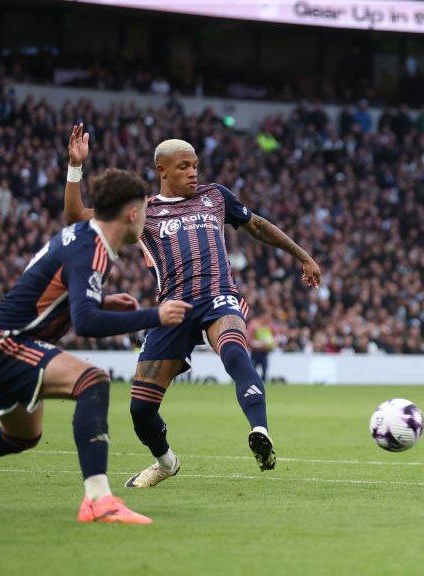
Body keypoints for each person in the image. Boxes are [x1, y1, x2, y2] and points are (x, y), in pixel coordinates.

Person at [0, 167, 191, 523]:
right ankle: (99, 500)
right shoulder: (93, 249)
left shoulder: (81, 236)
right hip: (5, 342)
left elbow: (55, 297)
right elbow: (85, 322)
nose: (146, 219)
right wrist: (156, 316)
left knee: (21, 436)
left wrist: (101, 301)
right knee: (93, 380)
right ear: (133, 212)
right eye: (146, 210)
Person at [63, 126, 322, 486]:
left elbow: (257, 225)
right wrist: (76, 168)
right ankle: (166, 462)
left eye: (195, 165)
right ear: (162, 171)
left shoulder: (215, 196)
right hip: (172, 309)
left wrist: (303, 256)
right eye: (184, 167)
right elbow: (76, 217)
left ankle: (260, 430)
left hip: (218, 295)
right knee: (141, 409)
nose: (193, 173)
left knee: (235, 351)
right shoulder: (142, 212)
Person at [248, 310, 278, 383]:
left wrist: (273, 343)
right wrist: (260, 344)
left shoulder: (268, 325)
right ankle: (251, 382)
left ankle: (263, 383)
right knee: (252, 370)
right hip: (255, 352)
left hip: (264, 352)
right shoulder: (253, 325)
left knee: (264, 369)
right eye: (266, 316)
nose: (268, 318)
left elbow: (275, 335)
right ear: (261, 316)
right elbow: (249, 340)